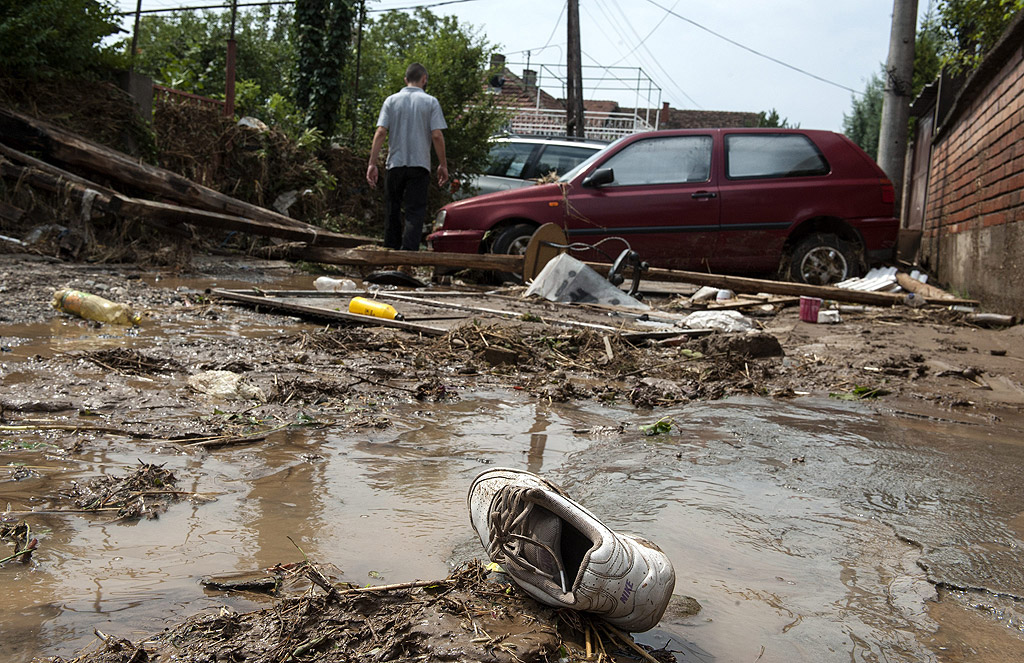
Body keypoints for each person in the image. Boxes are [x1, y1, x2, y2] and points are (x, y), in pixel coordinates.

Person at [366, 63, 449, 252]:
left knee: (392, 209)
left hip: (395, 164)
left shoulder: (391, 101)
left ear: (405, 80)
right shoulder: (431, 102)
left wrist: (372, 163)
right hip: (419, 166)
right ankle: (407, 258)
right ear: (424, 79)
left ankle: (390, 253)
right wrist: (442, 164)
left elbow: (380, 132)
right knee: (415, 211)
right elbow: (436, 135)